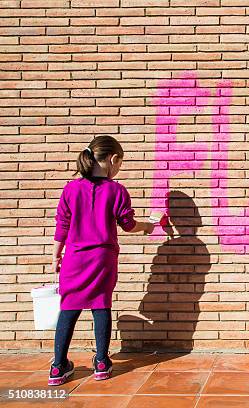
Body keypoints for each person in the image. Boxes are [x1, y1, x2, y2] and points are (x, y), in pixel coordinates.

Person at [48, 135, 155, 386]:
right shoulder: (117, 190)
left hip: (74, 259)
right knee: (101, 306)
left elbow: (62, 225)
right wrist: (147, 227)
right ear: (112, 159)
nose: (118, 169)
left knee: (69, 308)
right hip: (103, 259)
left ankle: (57, 366)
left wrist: (55, 256)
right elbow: (127, 225)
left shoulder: (70, 189)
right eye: (120, 164)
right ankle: (102, 363)